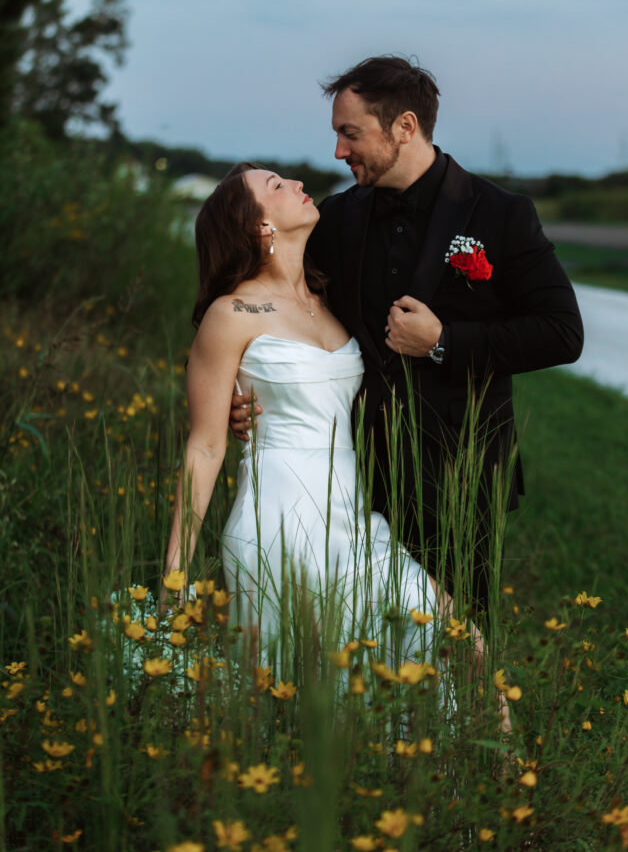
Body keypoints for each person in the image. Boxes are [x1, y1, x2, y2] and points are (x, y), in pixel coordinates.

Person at [230, 56, 584, 617]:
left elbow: (563, 333)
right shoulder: (336, 220)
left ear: (405, 127)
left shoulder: (502, 215)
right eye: (337, 135)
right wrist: (239, 389)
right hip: (352, 482)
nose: (339, 152)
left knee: (459, 645)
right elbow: (268, 304)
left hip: (461, 476)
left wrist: (444, 340)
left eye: (351, 134)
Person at [160, 163, 441, 656]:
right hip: (279, 523)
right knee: (316, 691)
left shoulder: (327, 300)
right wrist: (175, 572)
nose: (298, 185)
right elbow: (204, 447)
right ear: (259, 226)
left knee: (448, 640)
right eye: (278, 186)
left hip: (355, 517)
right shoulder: (232, 314)